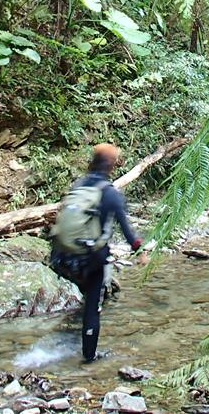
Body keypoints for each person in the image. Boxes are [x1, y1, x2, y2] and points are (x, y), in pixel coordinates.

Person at [51, 143, 146, 363]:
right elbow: (126, 230)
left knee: (81, 299)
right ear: (111, 166)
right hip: (90, 260)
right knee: (92, 308)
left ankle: (64, 343)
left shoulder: (78, 185)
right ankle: (89, 357)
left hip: (63, 256)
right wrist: (140, 252)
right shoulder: (110, 193)